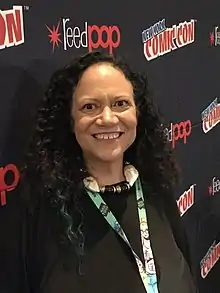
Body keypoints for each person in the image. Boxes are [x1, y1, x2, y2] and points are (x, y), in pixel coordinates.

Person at [15, 51, 198, 293]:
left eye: (121, 104)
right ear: (70, 120)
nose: (108, 119)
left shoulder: (157, 193)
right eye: (90, 107)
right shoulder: (39, 211)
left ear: (137, 113)